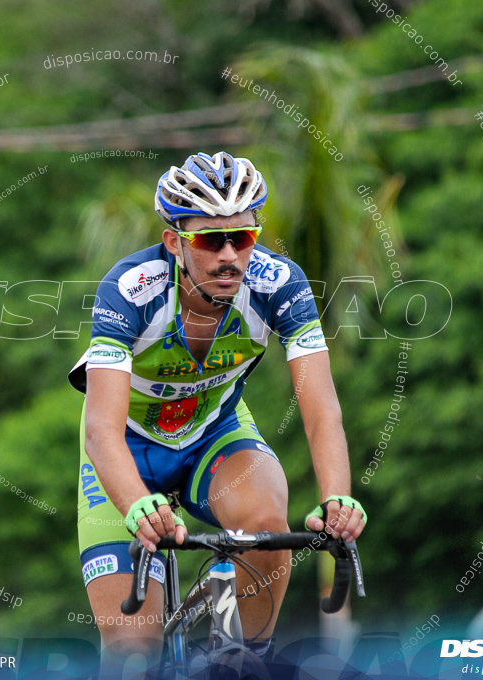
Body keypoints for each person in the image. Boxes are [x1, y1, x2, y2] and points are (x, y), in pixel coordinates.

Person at [68, 151, 366, 676]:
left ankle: (247, 662)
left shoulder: (280, 284)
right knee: (131, 653)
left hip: (214, 436)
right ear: (175, 242)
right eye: (210, 240)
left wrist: (337, 497)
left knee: (266, 523)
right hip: (128, 450)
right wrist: (137, 505)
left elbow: (321, 409)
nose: (229, 255)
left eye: (243, 237)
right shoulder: (131, 289)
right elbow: (101, 430)